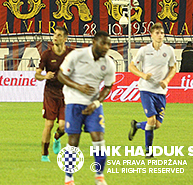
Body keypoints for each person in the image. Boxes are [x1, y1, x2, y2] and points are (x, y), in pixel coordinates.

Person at [57, 31, 115, 185]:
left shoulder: (109, 63)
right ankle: (69, 178)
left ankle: (99, 176)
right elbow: (61, 75)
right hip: (73, 102)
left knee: (99, 139)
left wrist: (97, 102)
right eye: (103, 43)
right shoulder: (77, 55)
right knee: (73, 141)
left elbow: (108, 86)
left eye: (108, 44)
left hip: (93, 105)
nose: (106, 47)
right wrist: (78, 86)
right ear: (94, 41)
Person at [127, 23, 176, 157]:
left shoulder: (169, 50)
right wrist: (143, 75)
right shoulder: (144, 50)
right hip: (146, 89)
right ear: (152, 35)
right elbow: (131, 66)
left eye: (161, 33)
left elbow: (173, 68)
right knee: (151, 120)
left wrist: (166, 80)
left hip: (160, 91)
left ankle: (136, 125)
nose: (160, 35)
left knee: (157, 125)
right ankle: (148, 151)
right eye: (157, 33)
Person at [34, 27, 70, 162]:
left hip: (66, 94)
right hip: (50, 94)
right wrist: (44, 76)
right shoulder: (47, 55)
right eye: (54, 34)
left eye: (59, 35)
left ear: (65, 39)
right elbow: (37, 74)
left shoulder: (71, 54)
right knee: (48, 125)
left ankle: (57, 137)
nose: (55, 37)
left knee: (63, 126)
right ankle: (44, 155)